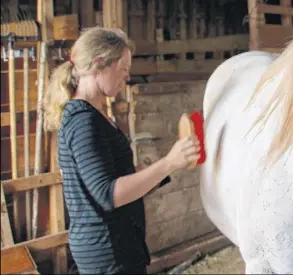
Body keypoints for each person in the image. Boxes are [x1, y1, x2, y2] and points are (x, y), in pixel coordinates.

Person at [44, 27, 200, 274]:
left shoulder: (94, 116)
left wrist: (156, 171)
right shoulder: (83, 122)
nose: (127, 78)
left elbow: (112, 179)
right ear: (99, 65)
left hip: (116, 246)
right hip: (108, 252)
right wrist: (168, 163)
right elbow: (108, 194)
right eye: (123, 69)